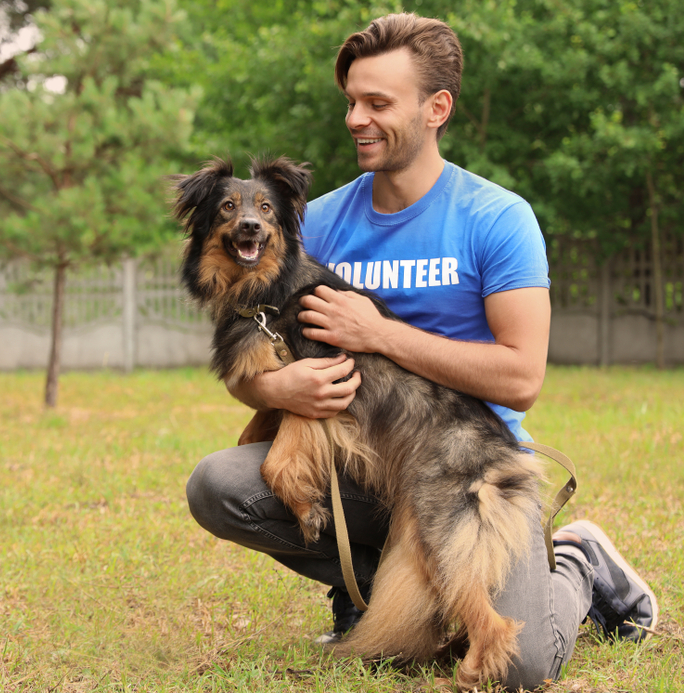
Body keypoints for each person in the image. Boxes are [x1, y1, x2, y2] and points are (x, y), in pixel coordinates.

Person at [185, 12, 657, 690]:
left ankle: (580, 561)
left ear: (437, 108)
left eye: (377, 102)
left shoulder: (496, 218)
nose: (356, 118)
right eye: (351, 100)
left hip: (473, 469)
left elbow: (521, 377)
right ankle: (384, 595)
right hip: (364, 459)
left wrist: (380, 334)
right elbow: (254, 346)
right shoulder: (314, 221)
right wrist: (271, 391)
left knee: (516, 668)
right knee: (220, 485)